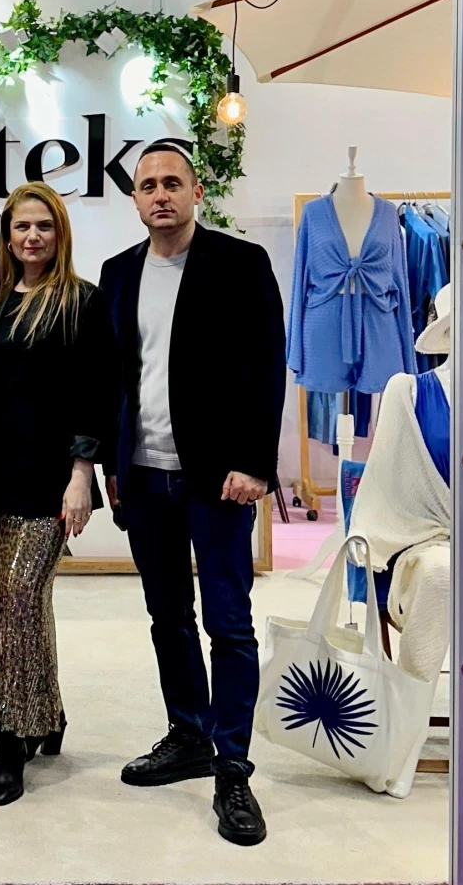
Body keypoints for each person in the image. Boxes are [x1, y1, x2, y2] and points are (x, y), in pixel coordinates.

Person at [97, 143, 285, 847]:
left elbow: (267, 366)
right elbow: (113, 376)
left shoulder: (239, 263)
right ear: (136, 198)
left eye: (172, 182)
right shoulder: (118, 273)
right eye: (147, 185)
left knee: (228, 622)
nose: (160, 195)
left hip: (218, 478)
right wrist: (111, 462)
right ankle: (188, 733)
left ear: (196, 191)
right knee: (166, 615)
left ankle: (232, 767)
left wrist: (255, 462)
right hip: (143, 474)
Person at [0, 182, 115, 806]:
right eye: (21, 226)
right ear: (7, 235)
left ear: (59, 232)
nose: (32, 236)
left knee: (20, 602)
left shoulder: (81, 301)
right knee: (4, 605)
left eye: (43, 225)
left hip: (50, 482)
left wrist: (81, 475)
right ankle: (46, 714)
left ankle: (10, 740)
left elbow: (94, 394)